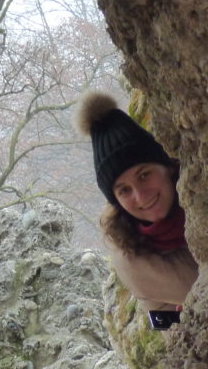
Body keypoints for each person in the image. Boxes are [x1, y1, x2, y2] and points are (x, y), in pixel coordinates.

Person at [76, 91, 198, 330]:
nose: (140, 196)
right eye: (124, 190)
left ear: (167, 168)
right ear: (116, 201)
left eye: (144, 175)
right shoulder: (133, 257)